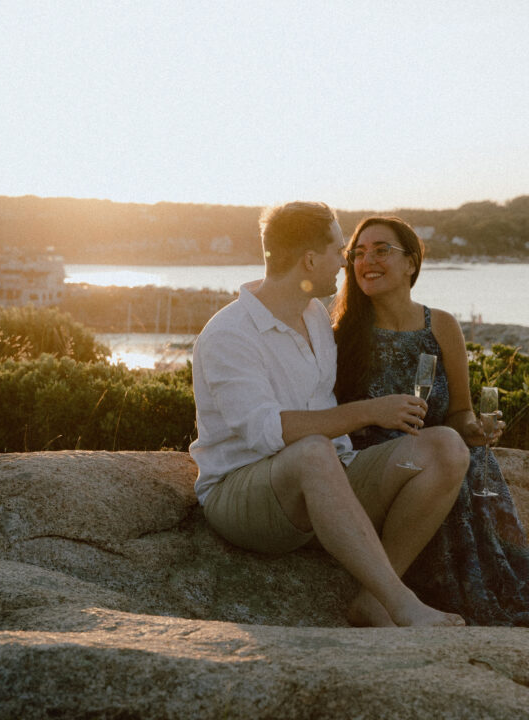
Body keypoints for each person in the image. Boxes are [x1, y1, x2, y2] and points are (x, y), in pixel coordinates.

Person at [189, 201, 471, 628]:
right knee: (312, 452)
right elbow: (267, 433)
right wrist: (371, 411)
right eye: (340, 250)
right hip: (243, 495)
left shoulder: (316, 315)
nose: (346, 261)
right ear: (309, 259)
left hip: (328, 480)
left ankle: (374, 598)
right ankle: (400, 601)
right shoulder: (230, 334)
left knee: (445, 448)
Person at [332, 215, 529, 628]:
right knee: (448, 458)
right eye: (358, 252)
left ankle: (393, 593)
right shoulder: (340, 334)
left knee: (470, 458)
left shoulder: (440, 325)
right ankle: (382, 595)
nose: (367, 259)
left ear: (411, 262)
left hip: (442, 453)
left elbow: (459, 411)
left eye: (382, 249)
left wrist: (475, 429)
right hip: (377, 468)